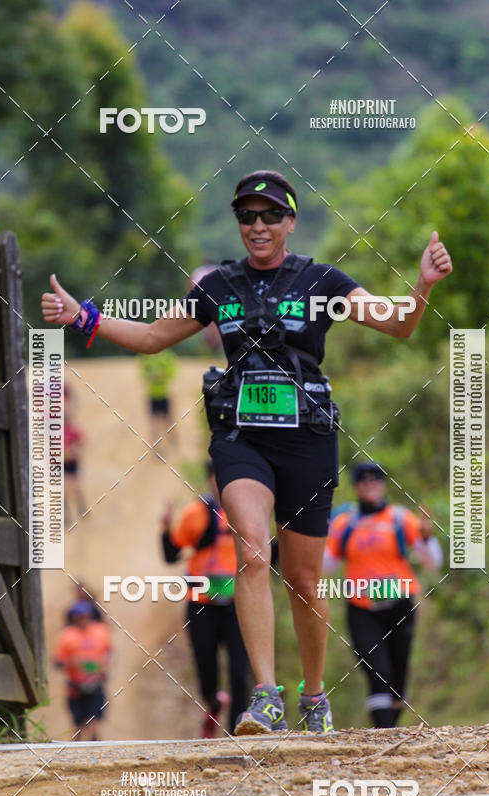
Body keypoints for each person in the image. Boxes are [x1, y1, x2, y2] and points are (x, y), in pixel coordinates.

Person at [41, 168, 453, 735]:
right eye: (247, 216)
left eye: (270, 215)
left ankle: (314, 696)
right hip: (241, 439)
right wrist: (85, 317)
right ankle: (265, 697)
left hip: (307, 440)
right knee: (254, 554)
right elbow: (153, 338)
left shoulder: (322, 281)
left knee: (303, 580)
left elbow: (399, 325)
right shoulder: (218, 287)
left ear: (290, 222)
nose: (258, 226)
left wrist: (423, 285)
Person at [324, 461, 443, 727]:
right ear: (356, 487)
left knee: (398, 681)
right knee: (378, 673)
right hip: (361, 608)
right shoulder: (344, 523)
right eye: (364, 481)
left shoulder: (400, 518)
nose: (371, 485)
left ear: (384, 485)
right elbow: (326, 566)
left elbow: (432, 562)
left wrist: (426, 538)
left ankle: (390, 728)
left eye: (376, 480)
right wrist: (318, 533)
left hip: (400, 605)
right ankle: (384, 735)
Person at [161, 460, 249, 737]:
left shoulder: (249, 512)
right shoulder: (195, 514)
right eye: (216, 476)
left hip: (238, 606)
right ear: (210, 479)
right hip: (202, 606)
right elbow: (171, 554)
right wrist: (165, 530)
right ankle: (213, 704)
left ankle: (237, 732)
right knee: (206, 669)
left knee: (239, 672)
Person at [54, 592, 112, 740]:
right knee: (78, 724)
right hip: (75, 687)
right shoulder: (67, 635)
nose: (83, 619)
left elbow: (108, 653)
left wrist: (100, 667)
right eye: (79, 616)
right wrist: (73, 663)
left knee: (94, 722)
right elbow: (58, 662)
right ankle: (78, 747)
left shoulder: (101, 632)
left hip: (95, 685)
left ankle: (94, 743)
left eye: (85, 616)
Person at [139, 347, 179, 453]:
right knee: (154, 423)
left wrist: (163, 375)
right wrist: (151, 376)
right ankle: (157, 448)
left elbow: (174, 371)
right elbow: (142, 373)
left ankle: (173, 443)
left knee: (169, 421)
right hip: (152, 395)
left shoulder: (167, 355)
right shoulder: (146, 357)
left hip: (165, 394)